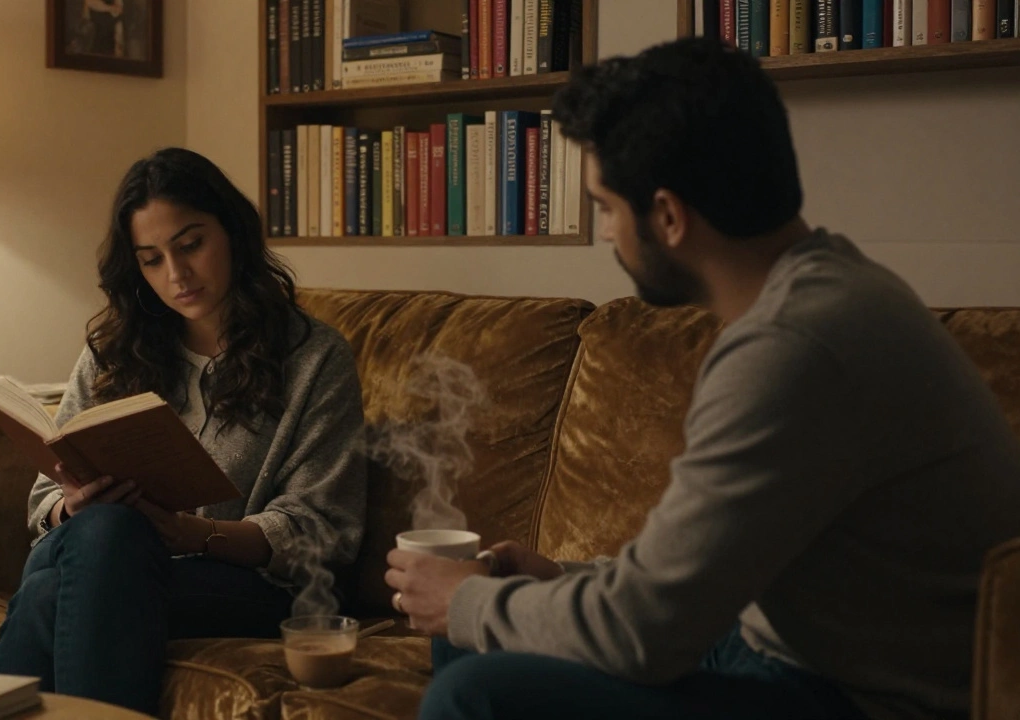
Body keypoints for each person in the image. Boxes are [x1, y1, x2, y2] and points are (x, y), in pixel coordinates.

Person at [385, 37, 1020, 720]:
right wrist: (557, 582)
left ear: (667, 217)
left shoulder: (792, 349)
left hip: (859, 700)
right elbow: (687, 588)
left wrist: (465, 598)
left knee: (473, 693)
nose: (606, 236)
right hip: (780, 649)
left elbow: (640, 635)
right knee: (477, 641)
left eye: (604, 208)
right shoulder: (834, 288)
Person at [0, 147, 367, 715]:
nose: (177, 275)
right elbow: (44, 499)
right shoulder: (114, 353)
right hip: (108, 558)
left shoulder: (314, 358)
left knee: (63, 576)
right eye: (151, 259)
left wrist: (190, 534)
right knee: (98, 537)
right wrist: (73, 506)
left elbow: (323, 530)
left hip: (252, 588)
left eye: (191, 245)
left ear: (233, 231)